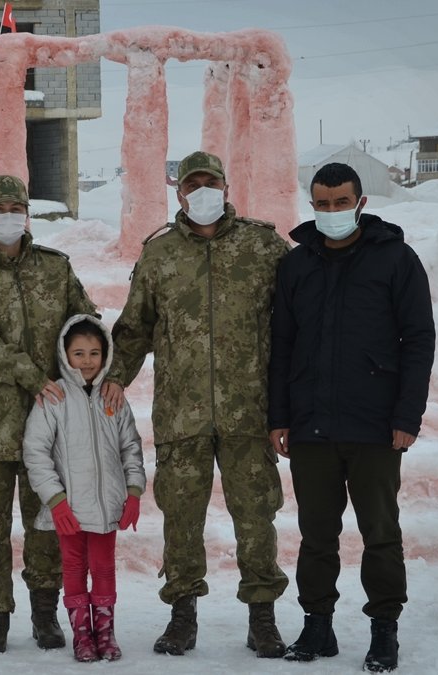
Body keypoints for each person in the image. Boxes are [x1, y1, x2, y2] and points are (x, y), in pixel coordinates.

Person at [102, 150, 290, 658]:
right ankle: (182, 614)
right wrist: (116, 376)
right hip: (182, 413)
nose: (201, 190)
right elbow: (135, 326)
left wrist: (293, 403)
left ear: (225, 187)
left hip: (249, 411)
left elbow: (295, 326)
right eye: (192, 183)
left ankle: (262, 617)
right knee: (181, 517)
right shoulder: (160, 255)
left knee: (256, 515)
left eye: (210, 181)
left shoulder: (264, 246)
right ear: (179, 192)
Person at [268, 162, 435, 673]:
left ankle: (384, 628)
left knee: (380, 532)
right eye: (323, 203)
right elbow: (283, 346)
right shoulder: (296, 267)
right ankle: (318, 625)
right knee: (316, 533)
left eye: (342, 202)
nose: (332, 211)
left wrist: (407, 415)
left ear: (360, 203)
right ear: (311, 203)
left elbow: (418, 341)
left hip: (376, 426)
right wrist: (280, 416)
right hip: (312, 425)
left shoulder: (396, 260)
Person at [0, 174, 98, 653]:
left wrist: (87, 370)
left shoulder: (56, 268)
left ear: (28, 213)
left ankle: (44, 612)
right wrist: (35, 376)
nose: (7, 216)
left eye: (16, 207)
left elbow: (86, 325)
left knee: (47, 524)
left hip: (50, 426)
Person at [22, 315, 147, 663]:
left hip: (107, 507)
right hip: (70, 509)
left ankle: (105, 633)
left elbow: (131, 448)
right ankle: (82, 634)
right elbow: (35, 451)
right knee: (74, 568)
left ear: (105, 355)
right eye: (79, 353)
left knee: (104, 567)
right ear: (65, 355)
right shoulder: (54, 398)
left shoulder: (114, 398)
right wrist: (55, 500)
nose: (88, 361)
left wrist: (133, 491)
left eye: (94, 352)